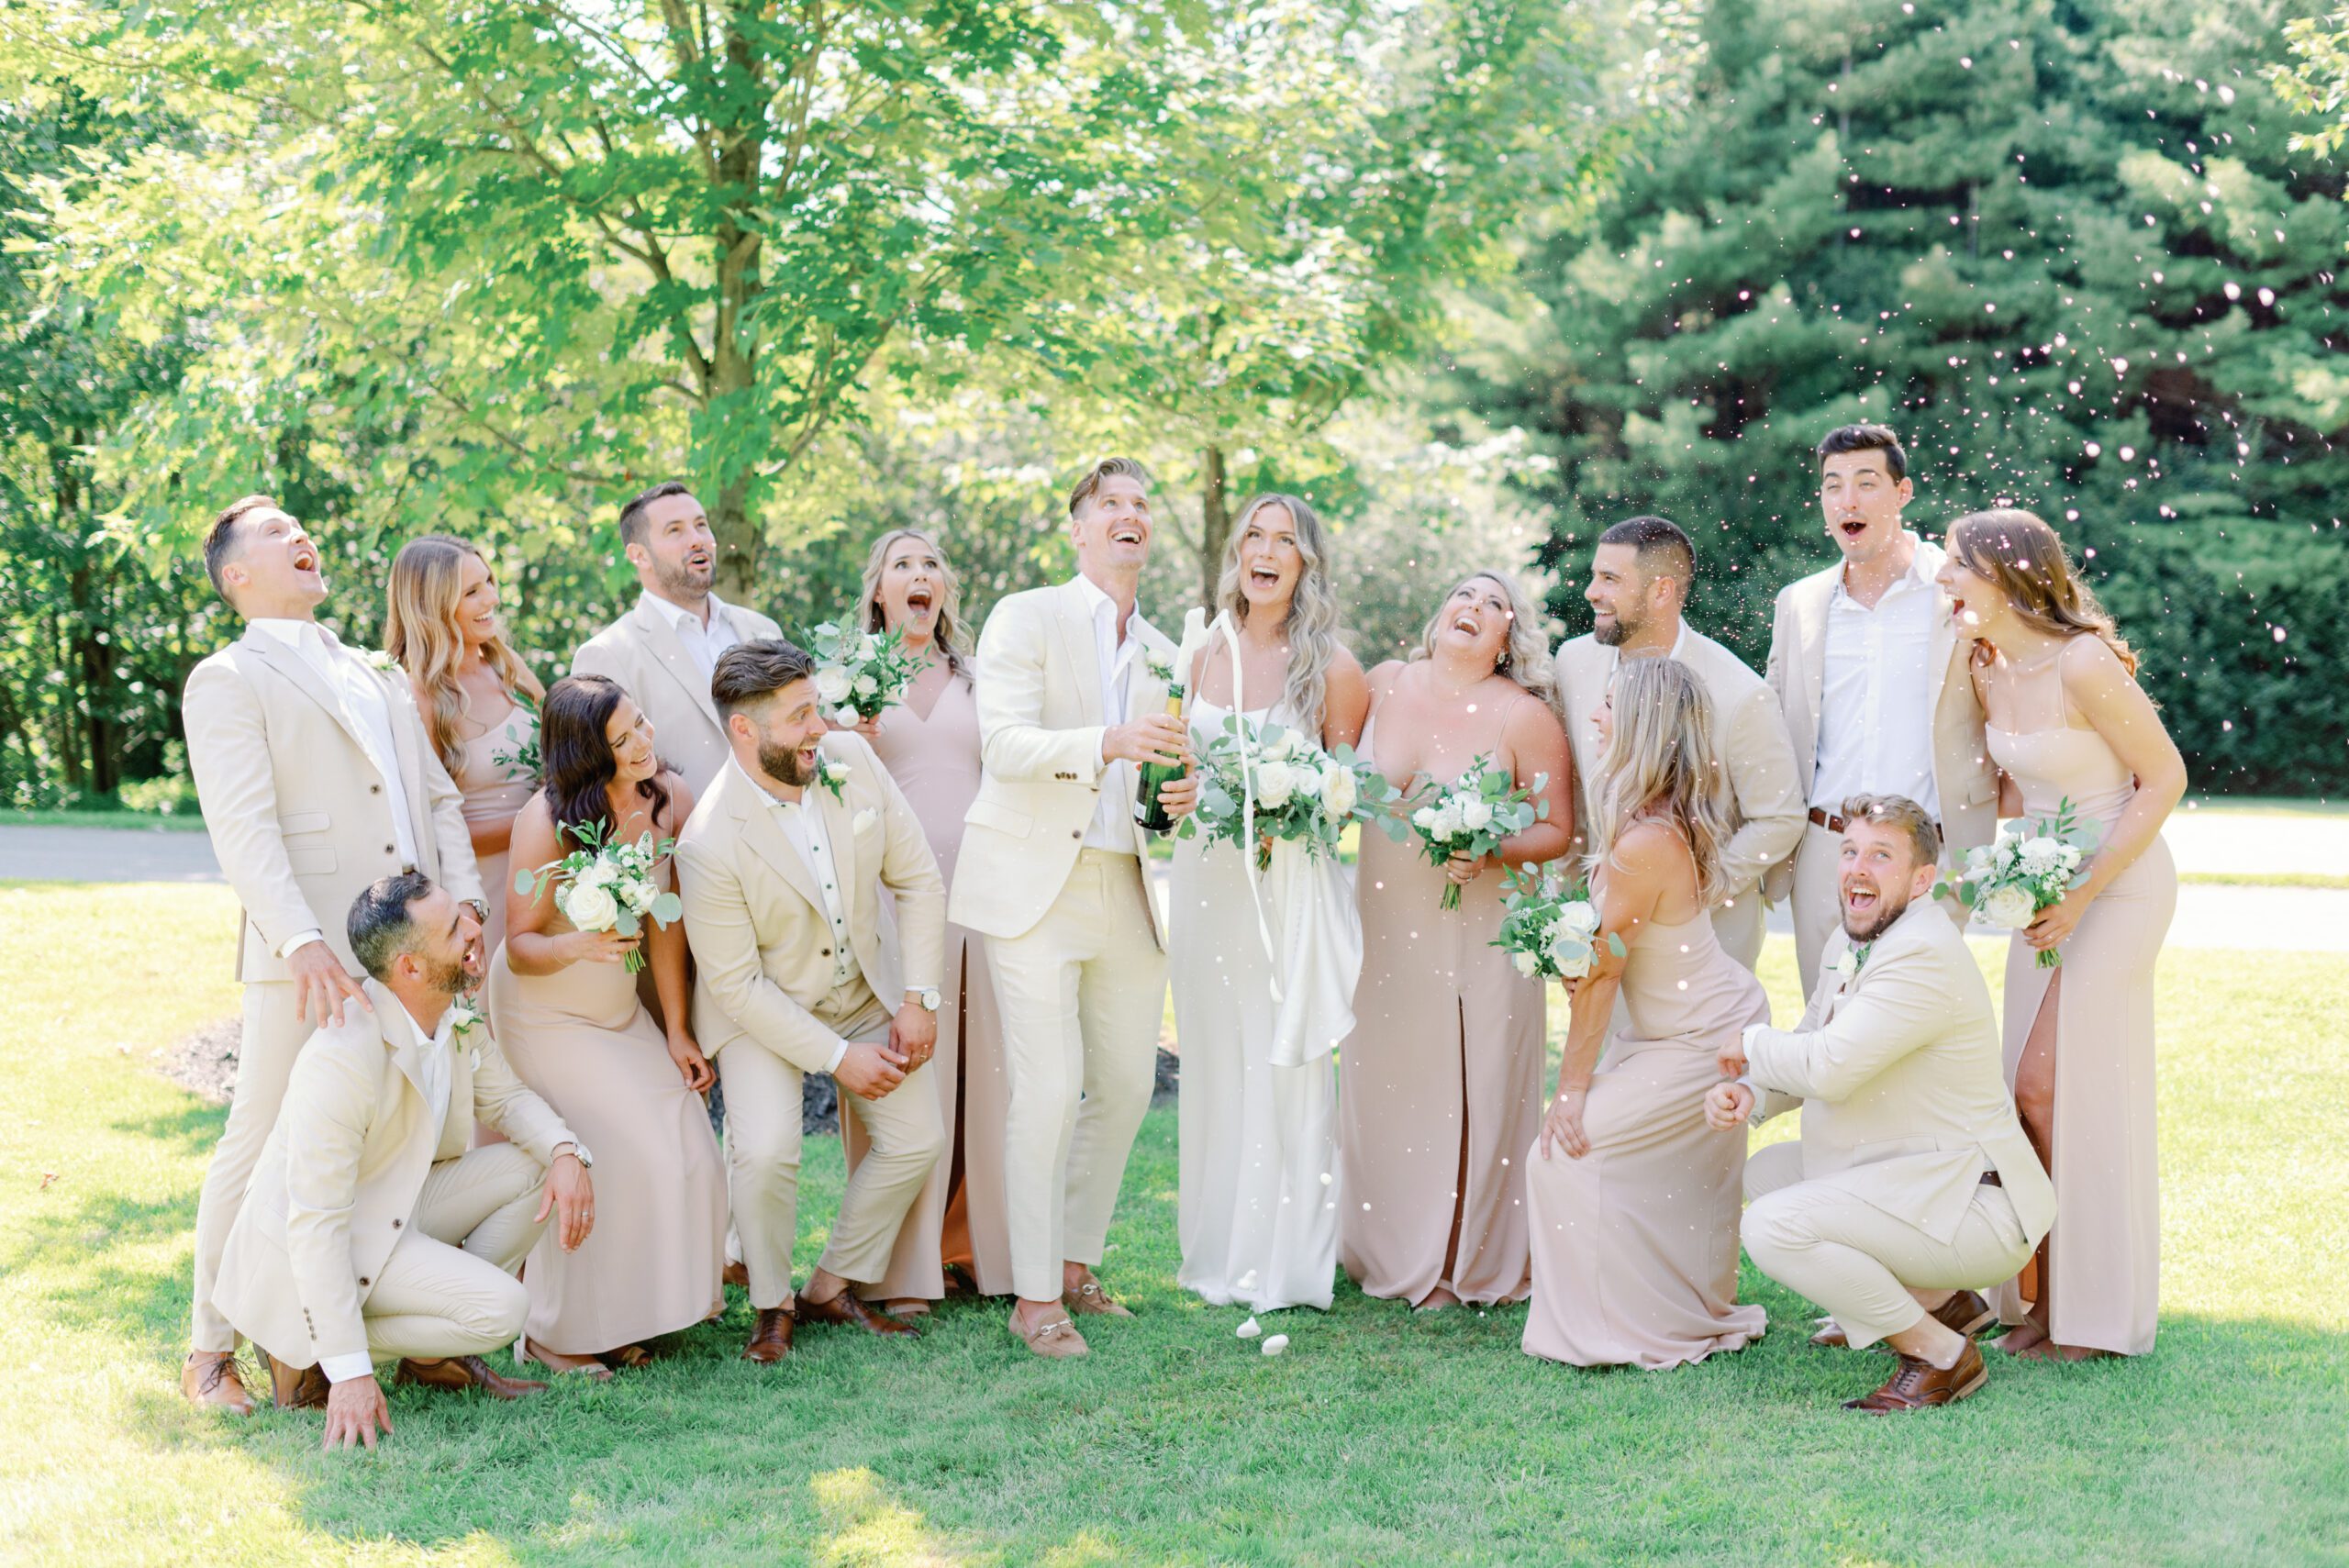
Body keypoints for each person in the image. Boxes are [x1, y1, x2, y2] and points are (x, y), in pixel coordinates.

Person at [179, 495, 485, 1414]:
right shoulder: (226, 678)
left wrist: (464, 902)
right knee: (259, 1140)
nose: (298, 534)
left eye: (296, 525)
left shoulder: (376, 671)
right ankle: (206, 1352)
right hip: (305, 956)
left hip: (415, 945)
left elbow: (435, 800)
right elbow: (245, 827)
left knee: (423, 1133)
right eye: (273, 531)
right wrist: (301, 939)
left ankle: (375, 1342)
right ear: (237, 576)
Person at [947, 456, 1198, 1359]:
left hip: (1122, 879)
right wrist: (1108, 739)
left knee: (1129, 1083)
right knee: (1048, 1088)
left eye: (1140, 503)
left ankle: (1075, 1258)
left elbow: (1167, 773)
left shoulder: (1168, 651)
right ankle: (1033, 1297)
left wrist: (1181, 792)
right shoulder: (1026, 614)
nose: (1129, 516)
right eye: (1111, 505)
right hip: (1028, 884)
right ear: (1079, 527)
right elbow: (1003, 742)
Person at [213, 873, 595, 1449]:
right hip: (330, 1242)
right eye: (453, 928)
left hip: (400, 1210)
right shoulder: (343, 1055)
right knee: (503, 1309)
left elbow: (509, 1100)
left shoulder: (450, 1014)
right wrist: (352, 1373)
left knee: (536, 1166)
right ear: (411, 968)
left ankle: (431, 1351)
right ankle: (318, 1351)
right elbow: (315, 1222)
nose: (474, 929)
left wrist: (566, 1151)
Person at [1711, 797, 2056, 1411]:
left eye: (1881, 855)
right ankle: (1934, 1298)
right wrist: (1754, 1091)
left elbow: (1831, 1067)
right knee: (1764, 1175)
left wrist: (1744, 1043)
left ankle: (1938, 1351)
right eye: (1849, 851)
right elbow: (1814, 1045)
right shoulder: (1859, 937)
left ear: (1923, 878)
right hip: (1918, 1174)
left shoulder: (1922, 952)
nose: (1857, 868)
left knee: (1772, 1228)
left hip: (1975, 1202)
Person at [1938, 510, 2184, 1360]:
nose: (1943, 580)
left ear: (2005, 574)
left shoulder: (2084, 659)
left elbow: (2164, 777)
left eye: (1954, 565)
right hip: (2038, 892)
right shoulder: (1985, 664)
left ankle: (2097, 1311)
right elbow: (2015, 792)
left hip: (2116, 887)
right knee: (2025, 1093)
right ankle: (2039, 1299)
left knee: (2064, 1090)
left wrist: (2083, 891)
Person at [675, 641, 950, 1363]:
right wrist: (836, 1059)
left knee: (918, 1138)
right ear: (744, 730)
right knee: (764, 1152)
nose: (819, 728)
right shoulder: (707, 841)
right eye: (799, 717)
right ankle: (771, 1304)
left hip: (865, 989)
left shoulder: (853, 764)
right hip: (762, 1015)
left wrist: (919, 997)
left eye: (815, 707)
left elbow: (919, 880)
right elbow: (735, 987)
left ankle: (831, 1284)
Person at [1520, 657, 1766, 1367]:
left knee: (1562, 1152)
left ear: (1640, 724)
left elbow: (1602, 975)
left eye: (1607, 705)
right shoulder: (1646, 819)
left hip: (1705, 1040)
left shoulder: (1646, 841)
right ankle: (1652, 1304)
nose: (1594, 717)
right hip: (1679, 1028)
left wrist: (1571, 1090)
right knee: (1607, 1164)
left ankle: (1624, 1327)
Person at [1340, 570, 1573, 1312]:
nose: (1473, 608)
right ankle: (1383, 1244)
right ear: (1439, 615)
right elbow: (1332, 777)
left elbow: (1557, 828)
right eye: (1462, 596)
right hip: (1383, 927)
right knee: (1391, 1081)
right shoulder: (1380, 683)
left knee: (1468, 1087)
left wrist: (1495, 845)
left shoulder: (1523, 716)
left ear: (1510, 638)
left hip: (1478, 929)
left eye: (1493, 603)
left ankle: (1457, 1260)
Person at [487, 674, 727, 1378]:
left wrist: (678, 1029)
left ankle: (632, 1315)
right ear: (590, 754)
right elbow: (522, 945)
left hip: (619, 1011)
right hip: (546, 1009)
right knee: (608, 1154)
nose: (644, 742)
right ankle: (556, 1332)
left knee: (688, 1146)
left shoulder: (668, 798)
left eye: (643, 723)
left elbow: (666, 929)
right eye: (624, 740)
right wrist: (581, 945)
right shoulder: (547, 818)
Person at [1171, 494, 1370, 1315]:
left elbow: (1344, 791)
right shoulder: (1198, 651)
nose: (1266, 549)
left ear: (1306, 563)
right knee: (1217, 1058)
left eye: (1285, 539)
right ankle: (1218, 1250)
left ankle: (1283, 1260)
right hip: (1204, 881)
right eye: (1254, 534)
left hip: (1285, 887)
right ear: (1236, 553)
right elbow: (1173, 763)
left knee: (1279, 1062)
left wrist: (1296, 811)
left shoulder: (1334, 670)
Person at [835, 528, 1013, 1315]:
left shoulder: (984, 678)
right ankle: (900, 1266)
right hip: (892, 903)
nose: (920, 575)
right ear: (878, 590)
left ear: (944, 587)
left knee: (988, 1076)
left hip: (984, 899)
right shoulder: (849, 685)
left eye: (931, 564)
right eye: (902, 565)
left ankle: (977, 1248)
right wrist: (845, 737)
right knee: (909, 1075)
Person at [1762, 425, 1996, 986]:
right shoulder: (1799, 605)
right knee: (1827, 1029)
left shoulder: (1958, 592)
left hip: (1929, 848)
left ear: (1903, 493)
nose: (1847, 500)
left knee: (1916, 1027)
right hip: (1826, 847)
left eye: (1867, 483)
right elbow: (1770, 726)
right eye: (1832, 485)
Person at [1553, 516, 1803, 971]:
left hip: (1704, 941)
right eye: (1594, 575)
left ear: (1661, 591)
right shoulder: (1574, 663)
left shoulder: (1738, 695)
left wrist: (1691, 888)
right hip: (1597, 930)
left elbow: (1779, 818)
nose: (1592, 592)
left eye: (1609, 579)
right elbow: (1574, 792)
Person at [386, 534, 545, 958]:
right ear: (432, 606)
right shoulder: (420, 696)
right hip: (483, 884)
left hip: (548, 864)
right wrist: (546, 822)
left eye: (489, 581)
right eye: (472, 592)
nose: (491, 597)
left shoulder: (505, 664)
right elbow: (430, 827)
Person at [572, 482, 784, 794]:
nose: (697, 540)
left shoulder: (762, 629)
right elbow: (602, 785)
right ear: (639, 555)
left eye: (701, 525)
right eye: (675, 531)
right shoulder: (606, 654)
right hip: (685, 836)